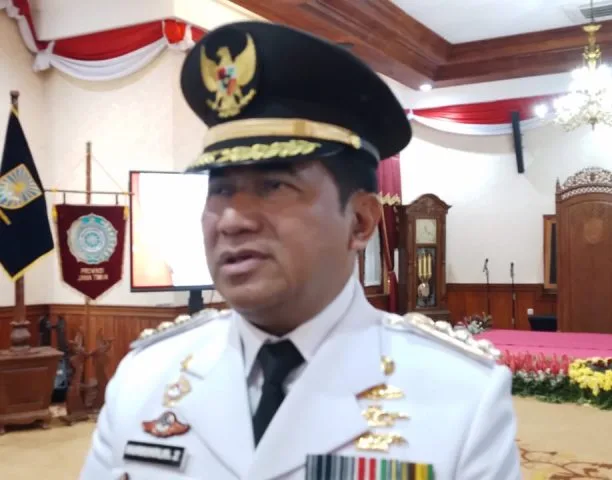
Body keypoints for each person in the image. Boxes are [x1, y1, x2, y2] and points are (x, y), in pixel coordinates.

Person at [79, 21, 521, 480]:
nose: (231, 220)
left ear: (360, 221)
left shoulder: (459, 397)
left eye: (273, 186)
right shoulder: (146, 376)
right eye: (220, 190)